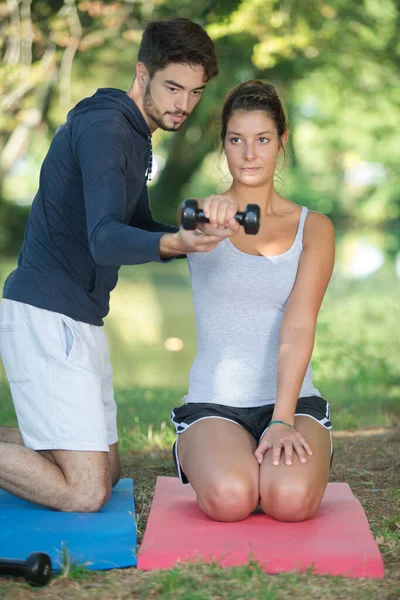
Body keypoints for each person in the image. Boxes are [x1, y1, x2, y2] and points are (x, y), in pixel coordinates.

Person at [0, 17, 241, 512]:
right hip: (48, 315)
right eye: (173, 87)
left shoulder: (132, 133)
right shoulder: (108, 128)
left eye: (195, 93)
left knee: (106, 473)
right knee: (86, 493)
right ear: (142, 73)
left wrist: (189, 234)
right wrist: (176, 244)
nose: (183, 104)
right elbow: (107, 240)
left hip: (79, 316)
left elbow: (134, 222)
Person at [171, 80, 335, 523]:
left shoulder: (313, 227)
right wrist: (206, 225)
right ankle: (204, 452)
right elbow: (177, 238)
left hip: (293, 403)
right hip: (215, 404)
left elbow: (299, 324)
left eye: (262, 139)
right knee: (231, 499)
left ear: (282, 143)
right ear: (222, 144)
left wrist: (282, 420)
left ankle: (291, 456)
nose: (249, 154)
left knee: (290, 502)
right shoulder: (200, 218)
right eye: (236, 140)